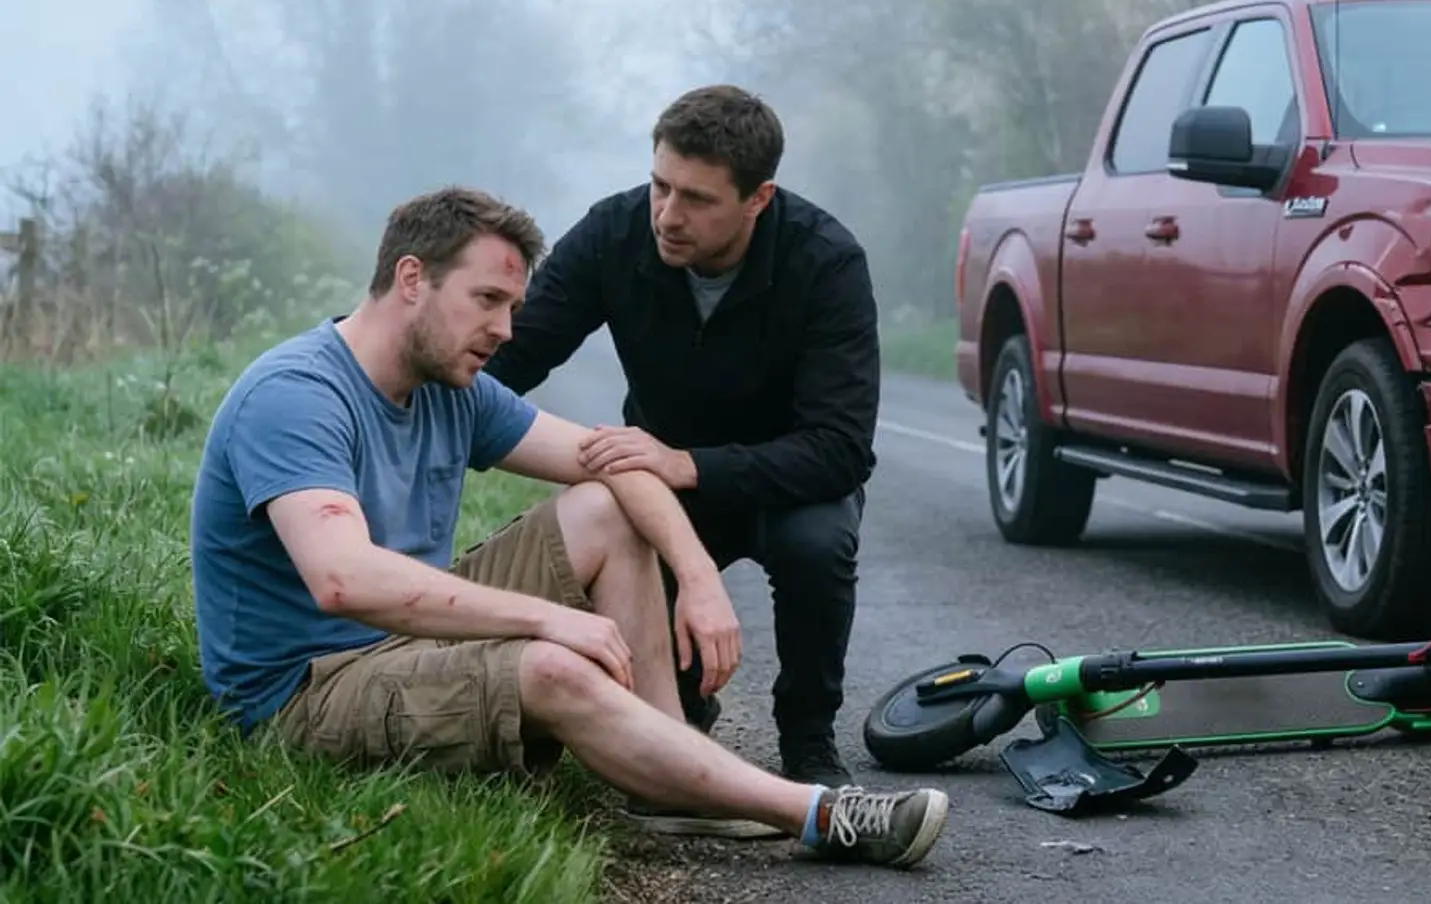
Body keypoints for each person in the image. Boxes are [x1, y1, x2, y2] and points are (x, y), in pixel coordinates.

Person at [187, 185, 947, 867]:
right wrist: (548, 620)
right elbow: (343, 579)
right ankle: (818, 814)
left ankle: (668, 776)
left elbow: (615, 463)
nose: (505, 329)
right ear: (412, 279)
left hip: (400, 645)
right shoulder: (297, 395)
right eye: (487, 300)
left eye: (512, 307)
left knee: (608, 503)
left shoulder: (453, 388)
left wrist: (697, 576)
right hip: (307, 693)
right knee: (553, 666)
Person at [482, 84, 878, 789]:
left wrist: (690, 463)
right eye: (660, 185)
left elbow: (840, 449)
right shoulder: (614, 232)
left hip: (787, 483)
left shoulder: (827, 261)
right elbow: (513, 352)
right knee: (628, 563)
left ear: (758, 199)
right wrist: (406, 396)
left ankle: (808, 738)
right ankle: (684, 709)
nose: (667, 215)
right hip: (662, 486)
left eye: (697, 199)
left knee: (817, 546)